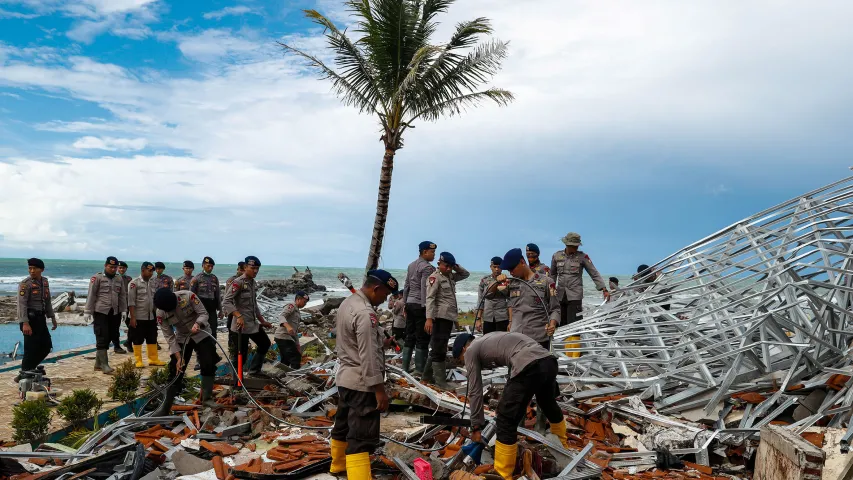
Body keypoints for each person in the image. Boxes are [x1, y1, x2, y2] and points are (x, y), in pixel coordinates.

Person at [452, 333, 570, 480]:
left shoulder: (470, 350)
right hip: (549, 361)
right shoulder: (488, 340)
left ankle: (502, 474)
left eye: (461, 360)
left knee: (505, 420)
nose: (464, 364)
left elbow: (475, 391)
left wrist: (476, 427)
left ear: (464, 349)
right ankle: (563, 448)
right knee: (547, 403)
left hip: (528, 364)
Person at [329, 269, 398, 478]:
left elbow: (356, 343)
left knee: (342, 425)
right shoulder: (366, 314)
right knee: (361, 437)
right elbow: (368, 356)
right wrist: (379, 390)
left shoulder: (348, 304)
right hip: (362, 383)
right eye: (384, 295)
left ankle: (338, 467)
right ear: (376, 288)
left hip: (345, 378)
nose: (384, 300)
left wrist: (383, 343)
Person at [152, 288, 218, 414]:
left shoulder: (188, 297)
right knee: (175, 370)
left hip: (201, 333)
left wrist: (198, 324)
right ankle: (165, 407)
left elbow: (204, 314)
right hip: (182, 337)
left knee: (208, 363)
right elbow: (170, 337)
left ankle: (207, 399)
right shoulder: (160, 313)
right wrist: (178, 357)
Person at [496, 248, 560, 350]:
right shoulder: (510, 283)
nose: (511, 273)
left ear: (522, 262)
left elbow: (555, 309)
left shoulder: (546, 282)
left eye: (512, 269)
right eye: (508, 270)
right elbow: (489, 295)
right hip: (516, 338)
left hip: (539, 339)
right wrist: (497, 281)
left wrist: (552, 324)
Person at [423, 252, 469, 388]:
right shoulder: (434, 278)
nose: (448, 269)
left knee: (438, 347)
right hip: (439, 317)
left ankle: (425, 378)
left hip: (448, 317)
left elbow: (466, 274)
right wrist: (429, 319)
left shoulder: (450, 276)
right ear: (439, 263)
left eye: (450, 267)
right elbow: (430, 298)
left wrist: (455, 266)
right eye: (446, 266)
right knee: (439, 349)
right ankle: (441, 382)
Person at [222, 256, 273, 376]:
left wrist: (262, 321)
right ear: (245, 267)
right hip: (240, 326)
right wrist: (238, 315)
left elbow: (254, 305)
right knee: (240, 355)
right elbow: (226, 301)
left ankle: (254, 371)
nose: (255, 271)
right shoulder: (238, 282)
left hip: (252, 324)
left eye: (257, 268)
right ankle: (237, 383)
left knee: (265, 343)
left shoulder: (252, 282)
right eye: (253, 268)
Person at [549, 232, 609, 327]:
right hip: (559, 296)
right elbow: (552, 275)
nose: (576, 248)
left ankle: (574, 342)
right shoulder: (556, 256)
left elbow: (593, 273)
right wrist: (550, 290)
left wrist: (604, 289)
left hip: (575, 297)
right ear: (567, 244)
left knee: (574, 325)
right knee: (559, 324)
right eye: (573, 246)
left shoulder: (583, 257)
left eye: (577, 246)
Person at [85, 256, 127, 374]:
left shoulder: (119, 279)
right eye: (111, 267)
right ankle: (104, 365)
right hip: (101, 312)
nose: (113, 269)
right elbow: (91, 295)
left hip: (115, 312)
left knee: (111, 336)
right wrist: (87, 311)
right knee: (102, 336)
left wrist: (124, 310)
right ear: (105, 266)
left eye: (115, 267)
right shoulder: (97, 278)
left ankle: (98, 364)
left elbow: (122, 295)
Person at [17, 258, 57, 380]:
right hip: (29, 320)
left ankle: (26, 371)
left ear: (42, 270)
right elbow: (21, 304)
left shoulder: (45, 282)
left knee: (46, 346)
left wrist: (52, 317)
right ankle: (25, 375)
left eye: (35, 268)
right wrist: (24, 323)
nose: (32, 271)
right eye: (30, 268)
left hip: (40, 319)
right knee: (30, 350)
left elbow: (47, 300)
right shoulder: (25, 284)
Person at [401, 241, 437, 375]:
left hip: (410, 303)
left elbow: (406, 286)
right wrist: (427, 310)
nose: (434, 254)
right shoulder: (427, 268)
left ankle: (404, 367)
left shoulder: (411, 265)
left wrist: (405, 303)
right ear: (424, 252)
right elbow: (425, 289)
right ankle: (419, 369)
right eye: (432, 252)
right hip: (420, 305)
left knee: (410, 335)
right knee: (422, 337)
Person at [128, 262, 165, 368]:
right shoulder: (134, 283)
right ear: (143, 270)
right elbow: (131, 302)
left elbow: (153, 300)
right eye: (149, 271)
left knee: (152, 337)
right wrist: (133, 317)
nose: (151, 273)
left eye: (152, 271)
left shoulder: (152, 283)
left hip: (151, 316)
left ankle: (153, 359)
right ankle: (138, 360)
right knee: (137, 338)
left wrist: (157, 314)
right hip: (138, 316)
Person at [475, 257, 511, 334]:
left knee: (501, 342)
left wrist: (511, 321)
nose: (497, 269)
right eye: (494, 267)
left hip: (502, 317)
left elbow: (510, 301)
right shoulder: (484, 280)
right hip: (488, 317)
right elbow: (480, 300)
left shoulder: (507, 280)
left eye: (499, 267)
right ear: (491, 267)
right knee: (487, 342)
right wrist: (478, 319)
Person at [274, 291, 309, 369]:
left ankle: (281, 375)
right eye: (304, 302)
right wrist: (287, 326)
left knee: (286, 360)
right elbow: (281, 316)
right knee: (295, 357)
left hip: (287, 338)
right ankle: (295, 375)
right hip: (283, 336)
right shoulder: (291, 306)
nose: (305, 304)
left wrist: (297, 345)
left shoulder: (297, 311)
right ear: (298, 299)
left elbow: (295, 331)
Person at [191, 257, 222, 332]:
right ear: (203, 265)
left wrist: (220, 309)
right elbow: (191, 295)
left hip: (212, 307)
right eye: (208, 266)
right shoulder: (196, 278)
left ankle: (213, 343)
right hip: (201, 307)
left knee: (213, 327)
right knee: (201, 327)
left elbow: (217, 295)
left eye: (212, 266)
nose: (210, 268)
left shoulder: (214, 278)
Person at [225, 262, 246, 363]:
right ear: (238, 269)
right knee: (231, 330)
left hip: (243, 312)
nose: (242, 272)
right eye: (241, 270)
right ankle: (232, 351)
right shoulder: (232, 280)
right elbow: (227, 297)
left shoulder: (247, 280)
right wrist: (226, 310)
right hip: (232, 311)